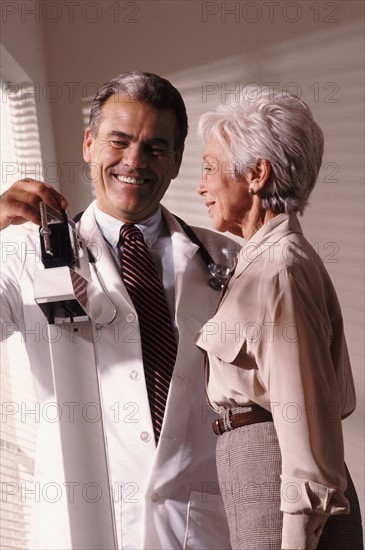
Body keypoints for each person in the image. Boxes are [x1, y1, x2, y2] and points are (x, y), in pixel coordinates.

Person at [0, 72, 237, 550]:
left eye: (154, 147)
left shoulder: (226, 261)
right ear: (89, 144)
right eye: (119, 141)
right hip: (81, 527)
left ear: (176, 161)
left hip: (198, 530)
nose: (134, 161)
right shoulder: (26, 253)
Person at [195, 91, 363, 550]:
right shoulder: (262, 263)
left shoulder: (281, 269)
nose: (201, 185)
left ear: (256, 173)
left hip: (279, 485)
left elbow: (304, 421)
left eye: (210, 167)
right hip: (260, 475)